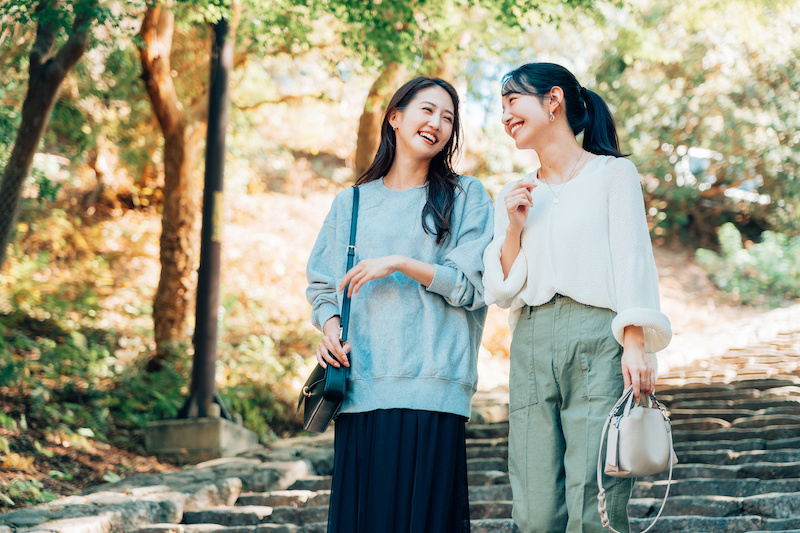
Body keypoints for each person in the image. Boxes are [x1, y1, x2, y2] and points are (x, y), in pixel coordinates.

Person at [481, 62, 672, 533]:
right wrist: (514, 227)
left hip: (597, 338)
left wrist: (635, 342)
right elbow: (502, 288)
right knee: (534, 502)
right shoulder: (517, 193)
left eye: (512, 100)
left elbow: (631, 259)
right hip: (530, 342)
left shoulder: (613, 174)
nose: (505, 114)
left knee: (594, 496)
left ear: (553, 101)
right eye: (501, 105)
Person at [306, 76, 494, 533]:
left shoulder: (467, 196)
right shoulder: (350, 203)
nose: (437, 123)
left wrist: (402, 263)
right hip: (361, 389)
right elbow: (323, 284)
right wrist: (330, 327)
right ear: (395, 117)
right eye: (427, 110)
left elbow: (472, 288)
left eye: (448, 118)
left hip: (434, 387)